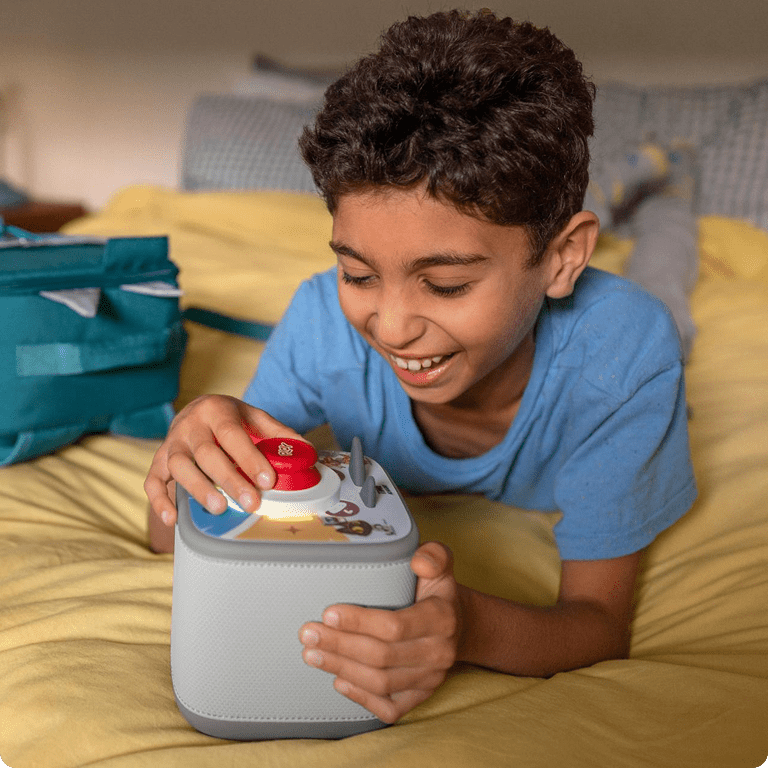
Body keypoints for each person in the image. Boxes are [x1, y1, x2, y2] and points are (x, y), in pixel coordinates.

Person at [145, 10, 696, 725]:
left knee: (672, 279)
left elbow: (595, 621)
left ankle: (662, 176)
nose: (393, 326)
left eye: (445, 285)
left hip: (637, 320)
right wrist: (187, 463)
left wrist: (467, 624)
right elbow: (174, 537)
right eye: (358, 272)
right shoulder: (320, 322)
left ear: (561, 258)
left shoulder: (624, 361)